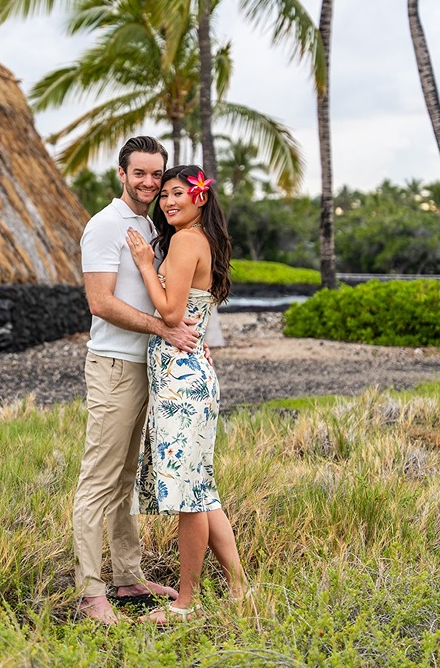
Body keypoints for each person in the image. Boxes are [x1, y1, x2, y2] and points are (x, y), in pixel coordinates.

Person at [74, 136, 202, 624]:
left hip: (146, 366)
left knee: (127, 478)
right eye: (140, 173)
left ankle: (127, 577)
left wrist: (186, 331)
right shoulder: (105, 225)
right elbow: (100, 302)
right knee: (98, 480)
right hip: (113, 366)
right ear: (122, 174)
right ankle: (90, 593)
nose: (149, 183)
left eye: (156, 174)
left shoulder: (151, 226)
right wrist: (163, 329)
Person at [126, 164, 247, 623]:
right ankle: (239, 590)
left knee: (189, 496)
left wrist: (144, 265)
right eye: (165, 195)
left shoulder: (184, 241)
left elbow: (172, 312)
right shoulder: (203, 239)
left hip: (182, 380)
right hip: (190, 375)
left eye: (178, 193)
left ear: (200, 196)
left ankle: (185, 603)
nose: (168, 202)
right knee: (203, 489)